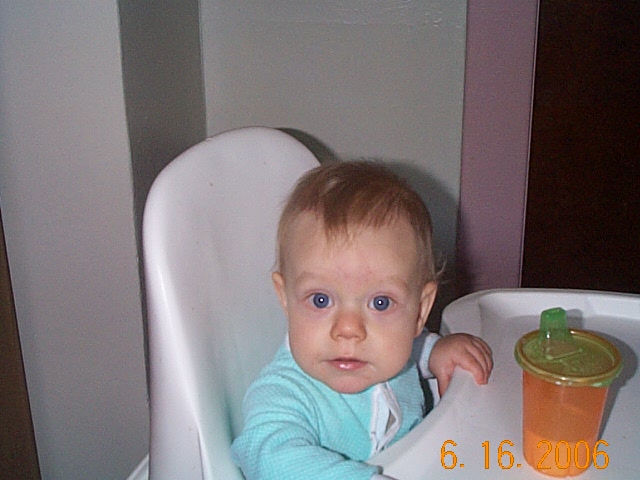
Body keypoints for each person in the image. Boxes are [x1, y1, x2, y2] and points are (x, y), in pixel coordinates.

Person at [231, 161, 493, 479]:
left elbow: (410, 348)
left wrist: (436, 352)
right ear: (285, 299)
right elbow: (266, 455)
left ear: (420, 310)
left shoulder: (391, 350)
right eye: (320, 300)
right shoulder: (285, 394)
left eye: (380, 303)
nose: (348, 330)